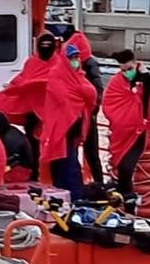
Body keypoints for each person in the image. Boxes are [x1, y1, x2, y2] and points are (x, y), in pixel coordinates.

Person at [0, 32, 60, 179]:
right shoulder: (32, 62)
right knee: (34, 141)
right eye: (42, 45)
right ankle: (35, 173)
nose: (45, 48)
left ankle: (50, 175)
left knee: (51, 144)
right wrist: (17, 86)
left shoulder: (59, 63)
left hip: (52, 110)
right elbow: (24, 77)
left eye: (48, 45)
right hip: (32, 110)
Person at [42, 44, 98, 199]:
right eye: (72, 57)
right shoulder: (56, 74)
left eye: (77, 57)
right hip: (62, 128)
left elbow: (91, 95)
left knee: (68, 165)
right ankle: (73, 198)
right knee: (68, 166)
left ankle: (69, 197)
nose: (75, 61)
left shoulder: (79, 75)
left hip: (74, 128)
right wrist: (81, 97)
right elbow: (63, 98)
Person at [103, 49, 150, 195]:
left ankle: (127, 198)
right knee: (122, 166)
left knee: (127, 167)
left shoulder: (147, 80)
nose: (126, 72)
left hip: (139, 131)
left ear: (136, 64)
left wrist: (145, 77)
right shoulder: (115, 82)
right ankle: (125, 198)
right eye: (123, 70)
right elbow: (109, 104)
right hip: (122, 132)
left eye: (129, 69)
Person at [57, 26, 106, 185]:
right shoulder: (85, 62)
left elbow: (97, 89)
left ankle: (96, 183)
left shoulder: (83, 63)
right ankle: (94, 183)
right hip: (80, 114)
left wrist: (91, 110)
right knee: (86, 153)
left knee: (87, 153)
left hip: (85, 114)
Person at [0, 111, 34, 183]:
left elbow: (14, 159)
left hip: (20, 171)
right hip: (21, 167)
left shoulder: (9, 138)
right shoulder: (10, 131)